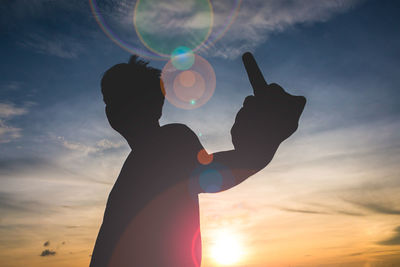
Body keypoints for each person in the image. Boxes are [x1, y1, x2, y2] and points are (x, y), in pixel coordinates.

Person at [89, 52, 306, 267]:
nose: (111, 108)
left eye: (122, 99)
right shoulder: (140, 160)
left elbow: (226, 169)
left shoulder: (168, 143)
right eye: (109, 101)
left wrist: (263, 139)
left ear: (157, 104)